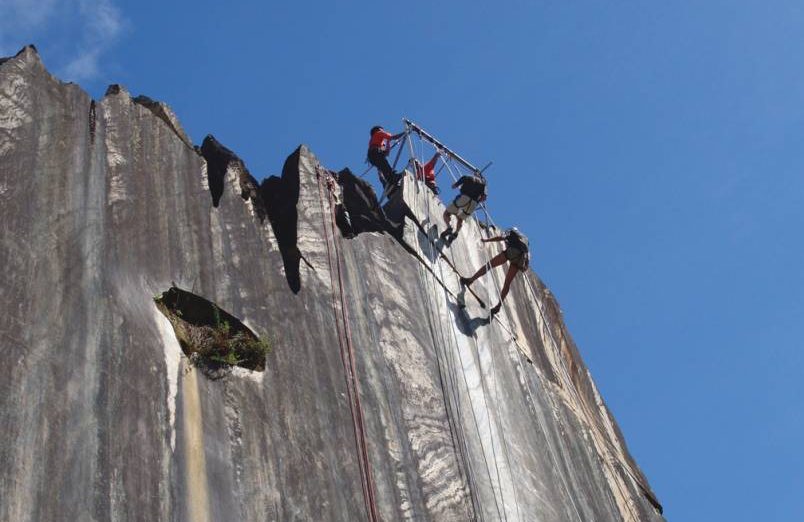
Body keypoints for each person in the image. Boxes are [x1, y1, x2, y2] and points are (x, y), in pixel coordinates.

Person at [460, 227, 530, 315]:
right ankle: (498, 306)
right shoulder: (524, 239)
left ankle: (470, 280)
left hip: (513, 252)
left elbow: (500, 238)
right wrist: (525, 265)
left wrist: (487, 240)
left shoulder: (511, 232)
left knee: (489, 265)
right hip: (520, 259)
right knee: (507, 283)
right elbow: (527, 254)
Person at [440, 172, 487, 245]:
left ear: (474, 174)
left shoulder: (467, 177)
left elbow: (454, 186)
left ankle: (449, 228)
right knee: (460, 218)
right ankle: (456, 233)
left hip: (464, 198)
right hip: (473, 204)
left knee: (446, 213)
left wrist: (455, 185)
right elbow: (484, 198)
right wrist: (477, 201)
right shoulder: (483, 185)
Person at [367, 125, 405, 191]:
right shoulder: (378, 133)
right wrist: (404, 133)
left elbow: (386, 153)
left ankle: (392, 181)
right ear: (378, 129)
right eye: (382, 130)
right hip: (375, 153)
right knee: (385, 164)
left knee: (384, 165)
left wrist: (388, 142)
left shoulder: (376, 141)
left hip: (372, 157)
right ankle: (393, 178)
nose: (383, 131)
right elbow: (392, 137)